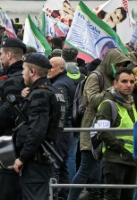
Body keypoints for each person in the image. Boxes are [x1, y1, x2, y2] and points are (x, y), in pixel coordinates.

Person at [68, 49, 130, 200]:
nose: (121, 68)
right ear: (111, 63)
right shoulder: (96, 76)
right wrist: (113, 90)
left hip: (108, 128)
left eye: (123, 66)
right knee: (86, 169)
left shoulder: (111, 77)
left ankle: (95, 195)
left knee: (98, 170)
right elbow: (94, 100)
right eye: (119, 65)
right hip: (93, 129)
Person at [12, 53, 64, 200]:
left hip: (35, 157)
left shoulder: (40, 94)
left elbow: (36, 130)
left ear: (32, 71)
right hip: (43, 154)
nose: (22, 73)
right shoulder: (52, 91)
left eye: (24, 70)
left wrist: (22, 158)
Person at [92, 68, 137, 200]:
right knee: (112, 197)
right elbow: (102, 132)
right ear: (115, 83)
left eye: (131, 82)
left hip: (131, 160)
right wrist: (121, 149)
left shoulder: (131, 105)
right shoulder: (108, 104)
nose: (128, 85)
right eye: (124, 81)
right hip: (115, 159)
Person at [0, 37, 27, 200]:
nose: (0, 58)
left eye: (1, 54)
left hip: (10, 140)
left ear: (8, 55)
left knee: (7, 189)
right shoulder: (24, 77)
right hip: (21, 140)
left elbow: (9, 114)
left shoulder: (12, 81)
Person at [49, 56, 76, 199]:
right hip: (66, 130)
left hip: (61, 131)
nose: (49, 70)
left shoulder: (60, 85)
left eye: (51, 67)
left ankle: (55, 195)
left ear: (61, 68)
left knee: (55, 165)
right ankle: (63, 195)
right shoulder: (64, 81)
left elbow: (61, 109)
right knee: (63, 164)